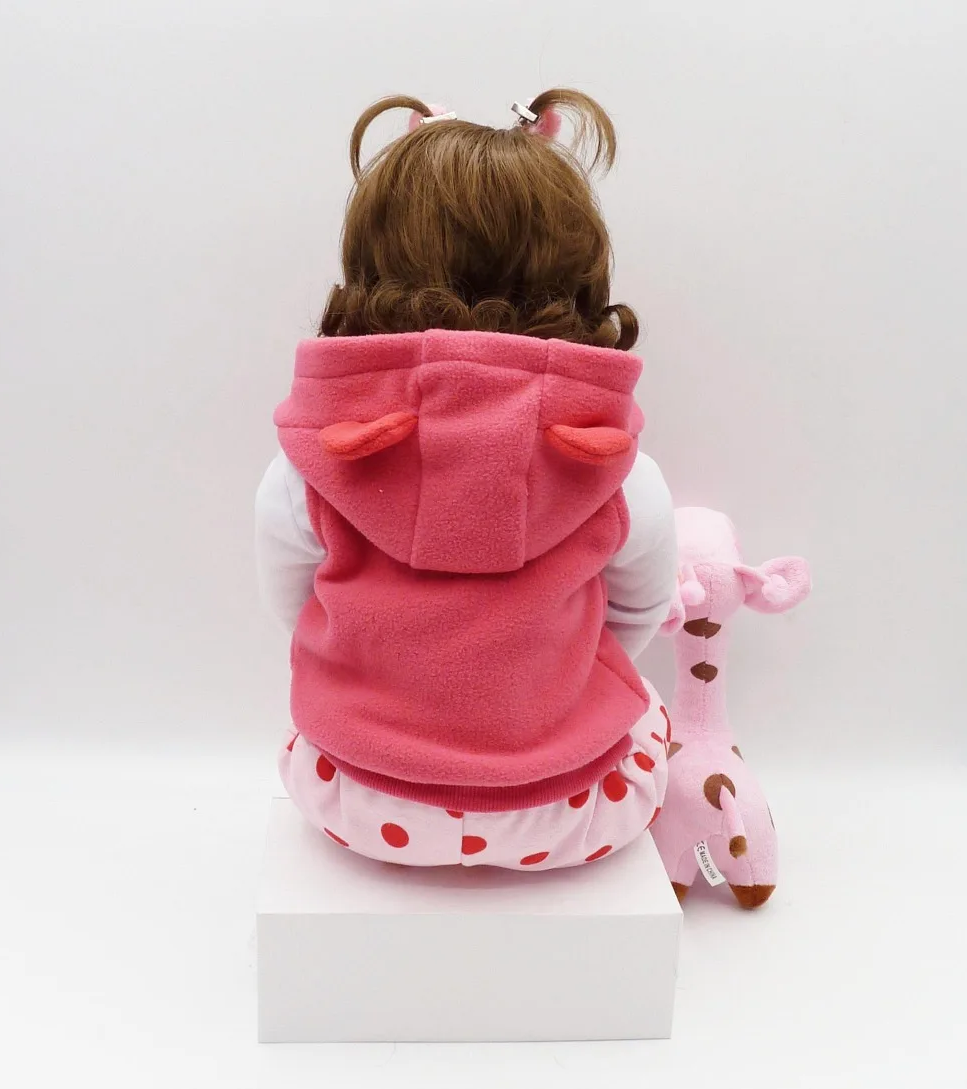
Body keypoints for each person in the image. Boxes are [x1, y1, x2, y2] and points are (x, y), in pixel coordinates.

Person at [256, 90, 677, 869]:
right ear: (578, 271)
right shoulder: (620, 469)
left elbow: (295, 603)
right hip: (576, 811)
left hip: (350, 797)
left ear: (371, 262)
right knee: (646, 708)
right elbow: (639, 611)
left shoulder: (310, 462)